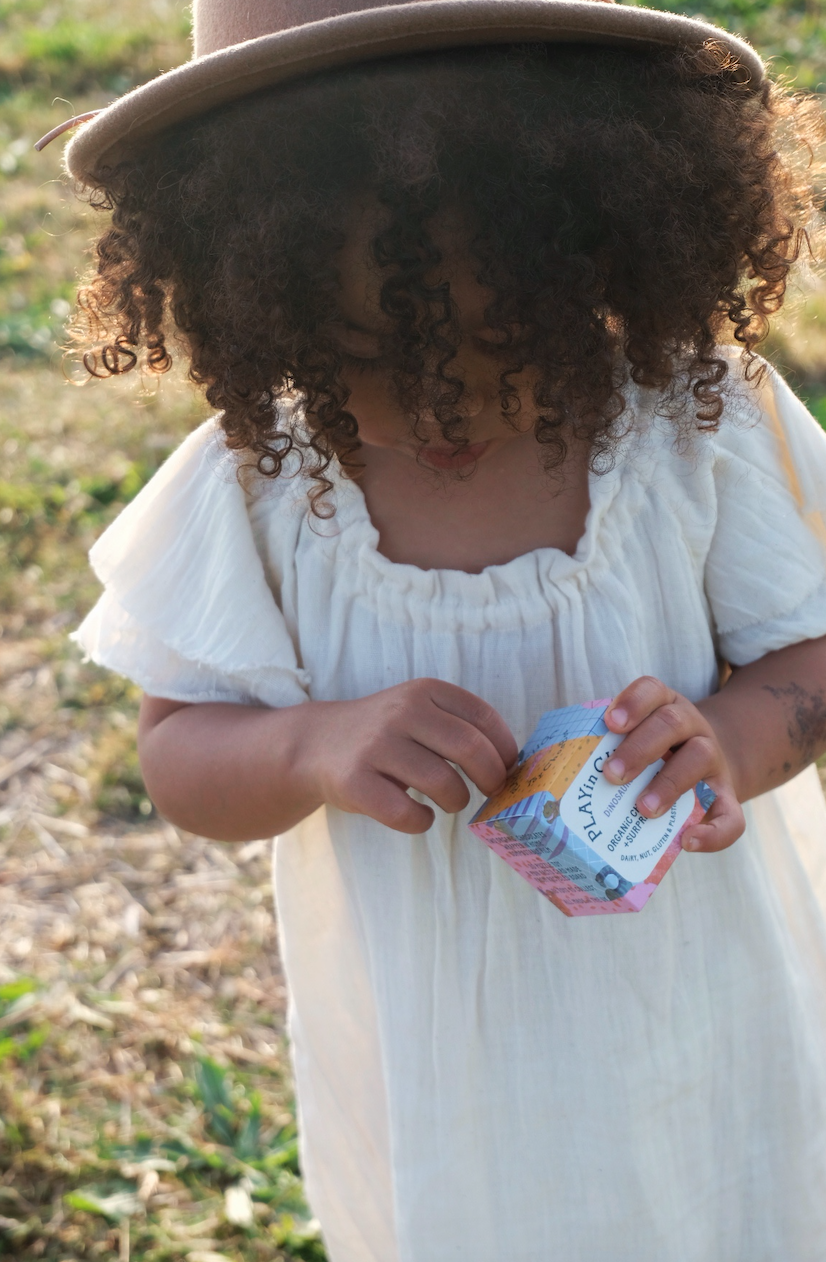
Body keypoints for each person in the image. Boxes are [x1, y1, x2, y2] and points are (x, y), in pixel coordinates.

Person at [49, 0, 826, 1256]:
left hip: (701, 1001)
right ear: (257, 304)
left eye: (505, 330)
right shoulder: (256, 488)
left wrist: (731, 741)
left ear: (609, 256)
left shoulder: (698, 424)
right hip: (444, 1066)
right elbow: (178, 754)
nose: (444, 393)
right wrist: (309, 746)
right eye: (364, 343)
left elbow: (809, 653)